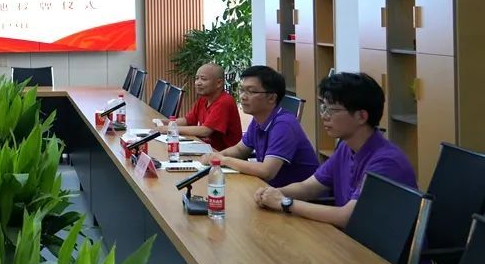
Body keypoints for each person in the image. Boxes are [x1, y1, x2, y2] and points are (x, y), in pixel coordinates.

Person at [254, 72, 418, 230]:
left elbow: (347, 217)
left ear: (361, 116)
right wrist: (273, 193)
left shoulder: (387, 162)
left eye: (331, 110)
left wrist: (285, 203)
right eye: (323, 108)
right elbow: (310, 187)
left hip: (372, 248)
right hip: (348, 239)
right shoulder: (346, 147)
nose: (324, 116)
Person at [201, 65, 319, 188]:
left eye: (251, 91)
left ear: (271, 98)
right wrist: (215, 157)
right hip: (271, 190)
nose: (243, 96)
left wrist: (224, 160)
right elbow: (240, 150)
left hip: (298, 196)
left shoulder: (284, 124)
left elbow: (267, 171)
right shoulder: (259, 119)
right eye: (242, 90)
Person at [173, 63, 241, 151]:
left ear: (219, 83)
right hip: (206, 149)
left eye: (203, 79)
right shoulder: (203, 99)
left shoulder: (224, 101)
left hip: (225, 154)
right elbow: (188, 120)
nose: (198, 83)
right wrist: (165, 123)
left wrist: (171, 129)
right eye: (197, 78)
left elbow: (205, 131)